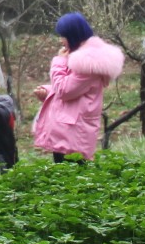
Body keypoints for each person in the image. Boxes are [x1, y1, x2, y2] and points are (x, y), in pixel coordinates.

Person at [31, 12, 125, 163]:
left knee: (70, 179)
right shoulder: (82, 58)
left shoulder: (87, 64)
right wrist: (48, 91)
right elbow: (75, 89)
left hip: (73, 135)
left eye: (63, 36)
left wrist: (59, 61)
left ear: (73, 36)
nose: (61, 41)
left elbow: (64, 90)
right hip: (69, 132)